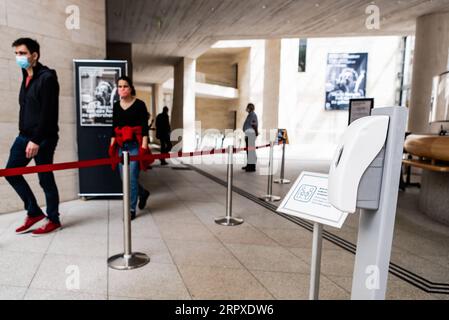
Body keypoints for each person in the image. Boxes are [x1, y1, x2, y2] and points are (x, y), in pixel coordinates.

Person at [6, 38, 62, 236]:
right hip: (24, 135)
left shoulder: (47, 78)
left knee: (45, 179)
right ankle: (34, 212)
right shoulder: (26, 74)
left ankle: (53, 219)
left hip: (43, 137)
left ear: (34, 55)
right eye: (16, 54)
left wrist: (36, 140)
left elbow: (48, 114)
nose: (18, 57)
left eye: (22, 53)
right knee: (10, 172)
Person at [109, 76, 151, 220]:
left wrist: (144, 147)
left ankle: (131, 209)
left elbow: (144, 128)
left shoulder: (140, 104)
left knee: (132, 177)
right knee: (124, 179)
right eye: (119, 86)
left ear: (131, 88)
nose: (122, 89)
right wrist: (111, 146)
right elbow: (114, 128)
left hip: (135, 146)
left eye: (125, 86)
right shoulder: (115, 105)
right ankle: (143, 193)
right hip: (121, 146)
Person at [242, 103, 259, 172]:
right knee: (248, 151)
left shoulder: (253, 115)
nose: (246, 108)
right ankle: (249, 165)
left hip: (251, 134)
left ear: (250, 108)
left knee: (251, 151)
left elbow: (254, 124)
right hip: (248, 134)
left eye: (248, 107)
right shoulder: (250, 115)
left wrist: (256, 132)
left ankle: (252, 167)